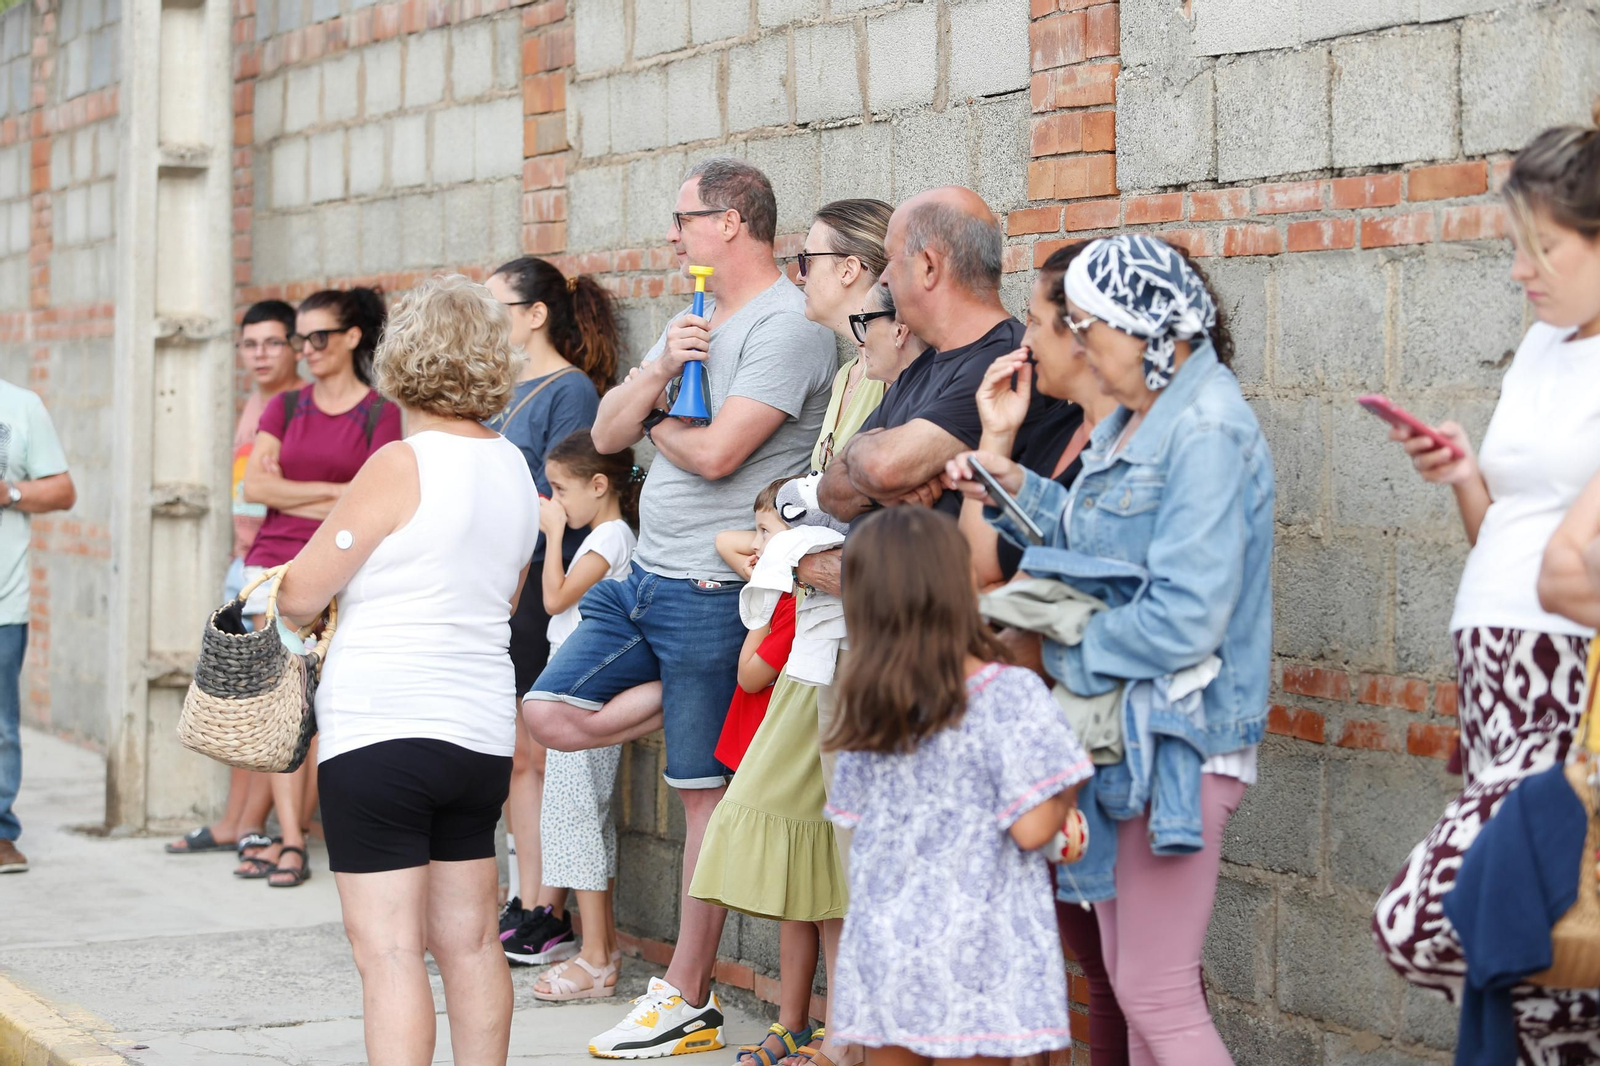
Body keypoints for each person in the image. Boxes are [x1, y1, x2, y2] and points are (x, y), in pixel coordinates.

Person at [522, 156, 837, 1059]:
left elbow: (717, 454)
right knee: (547, 712)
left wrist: (653, 414)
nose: (672, 232)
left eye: (683, 217)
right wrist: (661, 364)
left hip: (710, 586)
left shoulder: (789, 325)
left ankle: (685, 997)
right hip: (642, 583)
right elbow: (608, 436)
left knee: (700, 799)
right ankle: (694, 703)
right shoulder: (691, 319)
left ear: (732, 222)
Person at [945, 233, 1273, 1066]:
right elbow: (1096, 538)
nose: (1081, 347)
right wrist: (1015, 487)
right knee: (1135, 986)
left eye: (1092, 328)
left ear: (1150, 322)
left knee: (1156, 993)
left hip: (1179, 740)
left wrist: (1046, 652)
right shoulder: (1144, 416)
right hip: (1133, 733)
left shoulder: (1206, 429)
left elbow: (1185, 620)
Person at [1374, 108, 1600, 1063]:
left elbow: (1569, 563)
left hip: (1563, 685)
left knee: (1434, 919)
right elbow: (1503, 534)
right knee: (1541, 971)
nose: (1521, 271)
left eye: (1542, 247)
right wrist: (1468, 477)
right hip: (1499, 688)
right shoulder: (1547, 347)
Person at [273, 274, 538, 1066]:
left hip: (385, 727)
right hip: (479, 732)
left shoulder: (399, 464)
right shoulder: (514, 468)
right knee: (470, 944)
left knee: (388, 953)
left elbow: (298, 594)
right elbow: (508, 593)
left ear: (402, 357)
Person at [689, 199, 894, 1066]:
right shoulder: (852, 374)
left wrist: (789, 542)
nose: (797, 272)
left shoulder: (890, 374)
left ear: (852, 271)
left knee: (816, 846)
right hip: (815, 629)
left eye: (807, 259)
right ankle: (824, 1032)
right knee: (810, 850)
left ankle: (844, 1039)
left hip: (849, 642)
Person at [821, 506, 1091, 1066]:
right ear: (961, 584)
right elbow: (1034, 826)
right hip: (976, 945)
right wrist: (1066, 776)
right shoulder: (1008, 693)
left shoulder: (866, 704)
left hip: (886, 941)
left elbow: (852, 814)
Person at [960, 241, 1128, 1063]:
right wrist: (996, 438)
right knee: (1094, 955)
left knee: (1133, 962)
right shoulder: (1052, 432)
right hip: (1030, 715)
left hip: (1089, 716)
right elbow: (975, 564)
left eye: (1032, 320)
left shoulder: (1131, 447)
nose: (1021, 344)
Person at [241, 287, 401, 888]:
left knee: (330, 708)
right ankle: (288, 841)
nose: (304, 349)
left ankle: (325, 831)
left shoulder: (381, 413)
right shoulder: (284, 407)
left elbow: (380, 499)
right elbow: (257, 487)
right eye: (299, 339)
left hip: (349, 574)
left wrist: (300, 489)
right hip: (278, 570)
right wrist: (338, 497)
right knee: (284, 707)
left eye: (318, 337)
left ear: (353, 337)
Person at [485, 256, 619, 941]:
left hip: (546, 584)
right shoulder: (504, 389)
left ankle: (549, 909)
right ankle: (523, 896)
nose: (488, 321)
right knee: (516, 755)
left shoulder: (570, 392)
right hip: (507, 584)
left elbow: (561, 499)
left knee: (539, 751)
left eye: (498, 307)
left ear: (535, 315)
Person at [167, 299, 302, 863]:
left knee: (283, 703)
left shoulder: (298, 405)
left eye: (273, 343)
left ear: (297, 346)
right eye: (250, 344)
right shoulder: (256, 401)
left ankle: (260, 827)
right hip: (244, 562)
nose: (260, 354)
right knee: (237, 697)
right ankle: (234, 821)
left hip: (284, 567)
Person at [506, 431, 640, 994]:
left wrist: (555, 535)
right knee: (579, 816)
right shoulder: (604, 535)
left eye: (561, 488)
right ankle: (598, 952)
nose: (555, 500)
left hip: (583, 682)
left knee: (578, 816)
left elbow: (556, 599)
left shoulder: (608, 536)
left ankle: (595, 957)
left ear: (599, 485)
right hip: (580, 677)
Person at [0, 382, 75, 874]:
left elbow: (63, 490)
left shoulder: (20, 405)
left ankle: (1, 831)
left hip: (3, 603)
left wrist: (9, 490)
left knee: (1, 728)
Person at [711, 478, 798, 774]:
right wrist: (768, 575)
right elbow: (724, 540)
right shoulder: (781, 586)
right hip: (751, 741)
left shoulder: (793, 605)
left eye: (764, 532)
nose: (753, 544)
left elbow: (748, 677)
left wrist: (763, 600)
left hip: (765, 747)